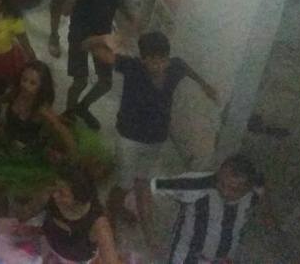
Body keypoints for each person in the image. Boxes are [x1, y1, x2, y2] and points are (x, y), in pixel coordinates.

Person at [85, 30, 220, 249]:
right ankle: (110, 216)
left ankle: (140, 226)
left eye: (162, 60)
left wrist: (205, 85)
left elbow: (186, 68)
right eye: (152, 60)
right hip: (129, 137)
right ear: (142, 58)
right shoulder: (132, 66)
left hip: (156, 138)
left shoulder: (174, 66)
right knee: (123, 184)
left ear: (168, 58)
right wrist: (103, 38)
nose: (158, 65)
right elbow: (88, 46)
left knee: (142, 180)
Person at [0, 61, 112, 209]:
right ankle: (2, 213)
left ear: (41, 86)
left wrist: (73, 156)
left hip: (26, 153)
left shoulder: (42, 110)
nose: (26, 86)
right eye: (24, 79)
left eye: (32, 83)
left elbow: (62, 130)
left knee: (21, 189)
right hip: (5, 142)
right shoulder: (15, 94)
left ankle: (20, 207)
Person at [0, 167, 122, 264]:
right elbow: (23, 215)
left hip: (73, 261)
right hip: (45, 244)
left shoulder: (99, 225)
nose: (55, 195)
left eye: (62, 193)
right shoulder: (49, 195)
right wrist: (21, 224)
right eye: (56, 189)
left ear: (79, 197)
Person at [60, 0, 137, 130]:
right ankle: (68, 114)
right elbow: (65, 10)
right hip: (79, 35)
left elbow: (125, 5)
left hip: (103, 34)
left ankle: (83, 107)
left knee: (106, 82)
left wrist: (129, 26)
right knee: (80, 81)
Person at [151, 155, 266, 263]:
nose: (225, 192)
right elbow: (148, 186)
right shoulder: (198, 184)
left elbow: (261, 190)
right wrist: (150, 238)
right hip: (186, 258)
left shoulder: (253, 193)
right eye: (221, 184)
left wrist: (267, 216)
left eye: (233, 189)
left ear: (247, 188)